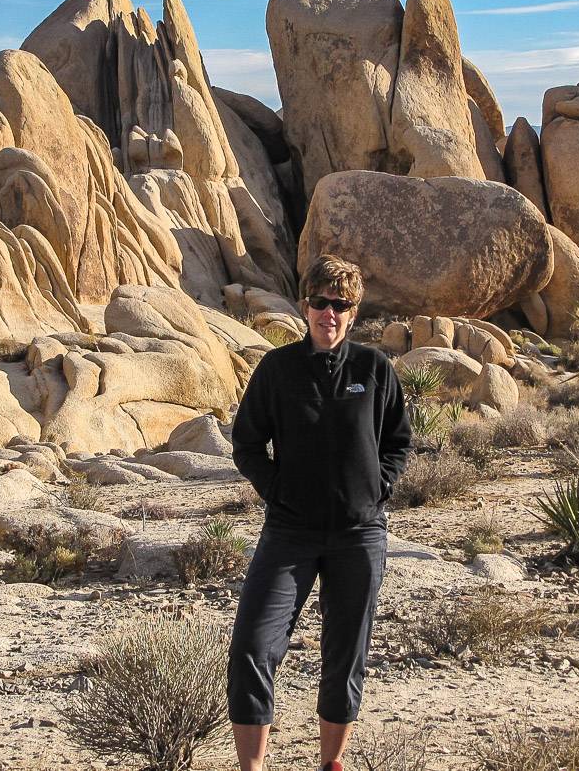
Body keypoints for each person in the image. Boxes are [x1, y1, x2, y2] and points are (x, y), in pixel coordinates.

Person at [227, 254, 412, 771]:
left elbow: (399, 441)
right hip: (290, 533)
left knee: (344, 656)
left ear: (352, 313)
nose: (328, 313)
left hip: (359, 534)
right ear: (305, 306)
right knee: (252, 647)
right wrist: (277, 491)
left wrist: (379, 488)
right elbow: (246, 444)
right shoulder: (278, 369)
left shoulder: (373, 370)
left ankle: (331, 763)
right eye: (319, 302)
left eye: (340, 305)